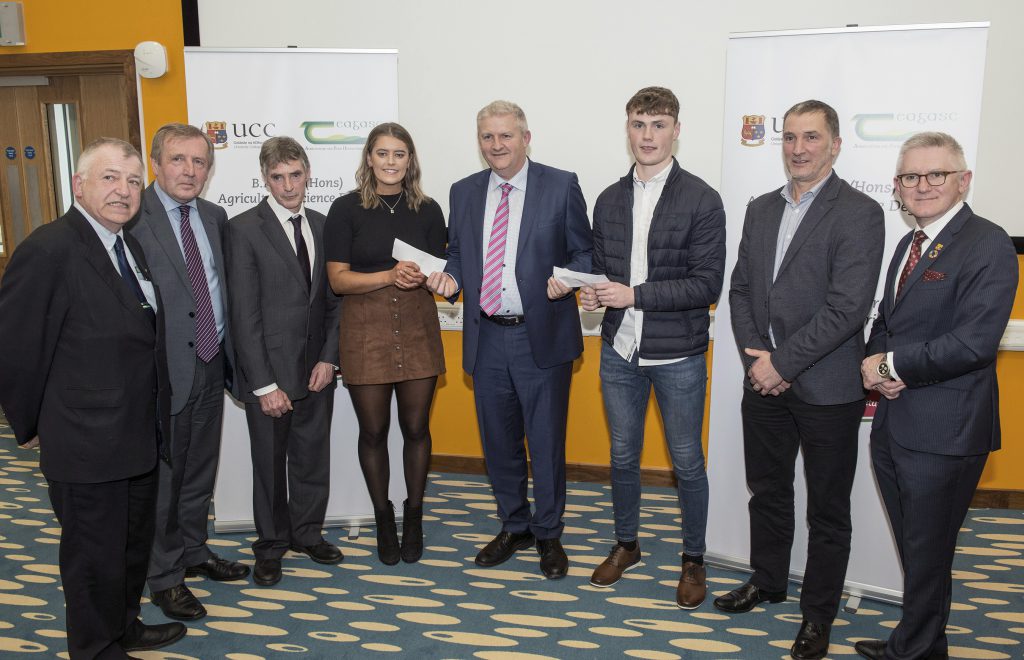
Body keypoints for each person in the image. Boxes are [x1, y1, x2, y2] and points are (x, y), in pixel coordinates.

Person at [0, 138, 186, 657]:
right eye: (109, 178)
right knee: (92, 559)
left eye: (131, 181)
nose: (122, 191)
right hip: (84, 442)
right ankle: (95, 648)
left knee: (127, 550)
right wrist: (36, 423)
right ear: (79, 185)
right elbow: (14, 350)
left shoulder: (129, 244)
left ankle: (124, 625)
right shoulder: (49, 249)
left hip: (137, 434)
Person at [721, 99, 885, 660]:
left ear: (835, 144)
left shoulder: (860, 212)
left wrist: (781, 364)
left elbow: (847, 308)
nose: (798, 148)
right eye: (789, 137)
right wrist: (756, 363)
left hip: (826, 387)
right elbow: (740, 289)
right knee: (767, 491)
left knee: (827, 511)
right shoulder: (761, 208)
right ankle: (767, 580)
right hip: (761, 380)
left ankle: (817, 616)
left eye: (811, 137)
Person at [855, 133, 1018, 660]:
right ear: (898, 186)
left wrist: (892, 364)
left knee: (928, 551)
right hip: (896, 421)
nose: (921, 186)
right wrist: (879, 365)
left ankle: (916, 650)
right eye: (909, 177)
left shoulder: (988, 242)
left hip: (945, 430)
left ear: (963, 180)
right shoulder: (908, 242)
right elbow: (888, 320)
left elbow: (973, 342)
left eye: (936, 175)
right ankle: (920, 644)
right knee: (919, 553)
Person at [425, 100, 593, 580]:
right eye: (486, 137)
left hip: (542, 337)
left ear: (525, 137)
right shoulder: (464, 191)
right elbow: (457, 254)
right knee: (498, 444)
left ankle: (549, 533)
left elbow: (584, 249)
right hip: (487, 337)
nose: (496, 145)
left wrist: (571, 278)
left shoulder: (560, 185)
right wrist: (450, 281)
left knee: (545, 444)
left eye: (505, 136)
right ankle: (513, 525)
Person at [581, 87, 725, 608]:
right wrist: (591, 287)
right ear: (628, 129)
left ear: (676, 130)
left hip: (678, 354)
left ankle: (693, 559)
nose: (648, 135)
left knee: (687, 461)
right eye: (639, 124)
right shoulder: (608, 198)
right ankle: (627, 545)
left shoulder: (703, 199)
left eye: (658, 124)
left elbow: (707, 284)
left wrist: (633, 294)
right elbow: (602, 272)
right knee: (622, 456)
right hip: (620, 348)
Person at [129, 123, 248, 621]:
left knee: (200, 470)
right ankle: (164, 577)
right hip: (163, 373)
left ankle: (195, 551)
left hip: (209, 363)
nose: (190, 171)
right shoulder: (133, 218)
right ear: (157, 162)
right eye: (179, 160)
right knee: (166, 479)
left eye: (199, 162)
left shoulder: (216, 216)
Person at [325, 123, 446, 565]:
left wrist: (431, 279)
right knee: (373, 432)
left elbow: (442, 275)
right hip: (365, 329)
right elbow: (337, 280)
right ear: (369, 159)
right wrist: (389, 275)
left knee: (416, 430)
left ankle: (413, 513)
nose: (391, 162)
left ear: (410, 160)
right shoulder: (345, 209)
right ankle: (382, 516)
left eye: (399, 154)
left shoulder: (429, 210)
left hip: (417, 325)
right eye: (382, 153)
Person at [226, 136, 343, 586]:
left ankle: (308, 533)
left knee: (313, 459)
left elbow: (335, 304)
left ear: (308, 173)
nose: (288, 185)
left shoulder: (323, 223)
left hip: (316, 372)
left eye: (295, 175)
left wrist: (329, 360)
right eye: (277, 177)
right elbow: (244, 313)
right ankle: (271, 545)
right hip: (269, 377)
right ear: (264, 178)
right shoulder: (243, 229)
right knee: (270, 468)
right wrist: (263, 385)